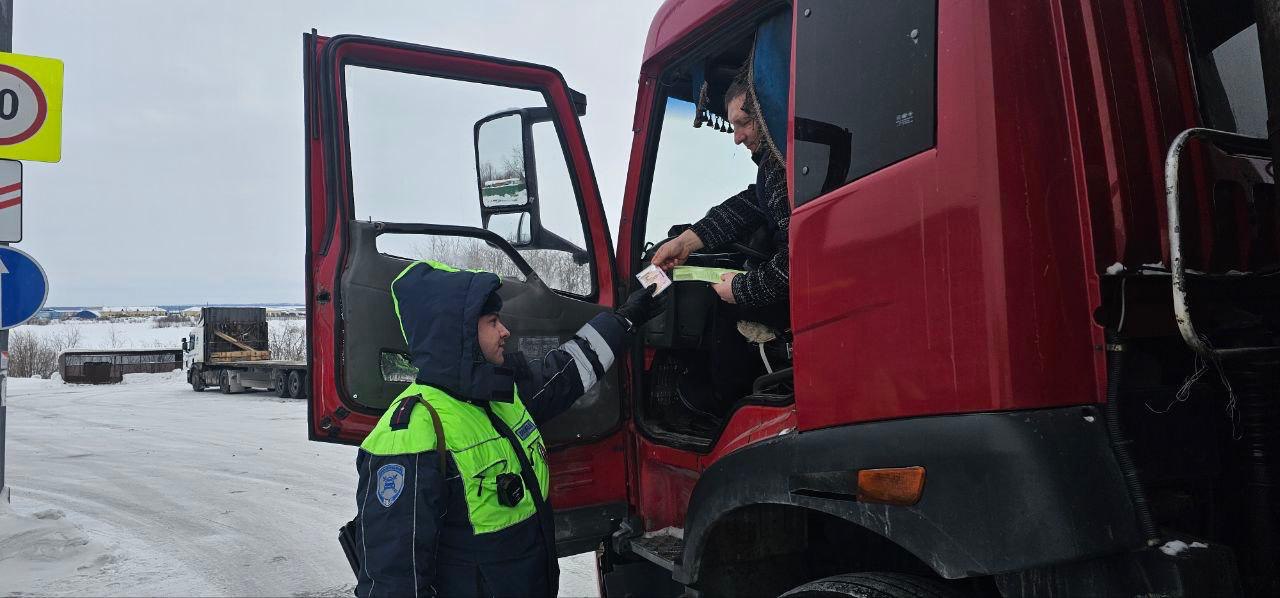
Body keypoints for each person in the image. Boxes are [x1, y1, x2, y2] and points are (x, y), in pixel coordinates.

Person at [348, 260, 662, 598]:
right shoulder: (413, 434)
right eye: (493, 322)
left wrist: (625, 318)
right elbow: (395, 581)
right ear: (460, 333)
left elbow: (569, 370)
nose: (505, 332)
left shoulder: (502, 394)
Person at [651, 69, 790, 321]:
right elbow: (750, 205)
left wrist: (741, 289)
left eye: (744, 123)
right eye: (733, 126)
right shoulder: (777, 171)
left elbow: (797, 264)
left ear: (772, 112)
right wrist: (685, 242)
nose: (737, 138)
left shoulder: (782, 169)